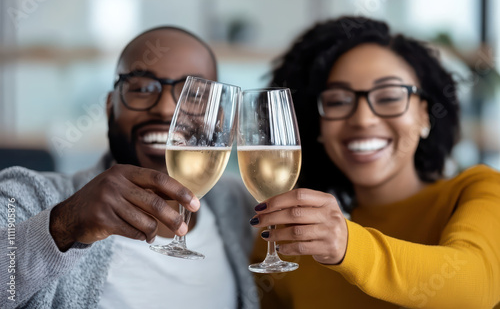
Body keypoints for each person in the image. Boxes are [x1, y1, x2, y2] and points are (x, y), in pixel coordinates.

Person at [0, 27, 259, 309]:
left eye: (192, 94)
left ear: (219, 121)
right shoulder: (25, 197)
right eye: (143, 88)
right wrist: (64, 225)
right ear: (110, 107)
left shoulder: (237, 204)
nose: (164, 109)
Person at [251, 17, 500, 308]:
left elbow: (474, 287)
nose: (362, 119)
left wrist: (347, 245)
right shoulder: (290, 239)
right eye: (339, 101)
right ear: (316, 125)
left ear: (425, 115)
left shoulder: (480, 190)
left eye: (389, 96)